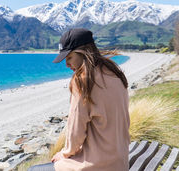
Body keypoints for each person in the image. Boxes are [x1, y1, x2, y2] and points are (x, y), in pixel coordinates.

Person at [28, 28, 130, 171]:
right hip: (120, 162)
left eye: (69, 57)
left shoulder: (83, 81)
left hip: (96, 165)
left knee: (33, 170)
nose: (67, 64)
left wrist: (64, 153)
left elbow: (76, 130)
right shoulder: (114, 72)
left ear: (84, 52)